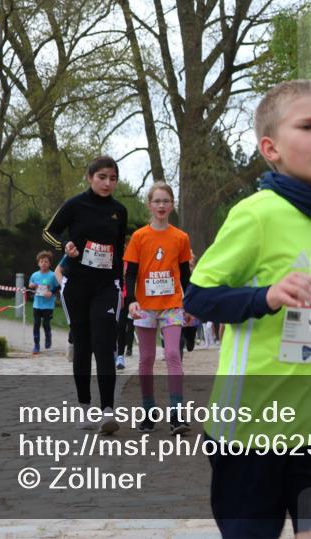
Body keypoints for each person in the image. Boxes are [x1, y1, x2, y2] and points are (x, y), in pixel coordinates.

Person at [183, 79, 311, 539]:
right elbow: (196, 297)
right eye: (309, 125)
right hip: (252, 429)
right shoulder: (256, 214)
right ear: (271, 148)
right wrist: (266, 296)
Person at [43, 156, 127, 435]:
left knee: (104, 343)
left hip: (106, 286)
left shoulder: (119, 210)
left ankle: (107, 411)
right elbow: (49, 232)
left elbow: (118, 250)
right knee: (83, 344)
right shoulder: (75, 204)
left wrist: (120, 281)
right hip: (76, 283)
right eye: (102, 177)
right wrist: (65, 245)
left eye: (112, 178)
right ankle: (85, 407)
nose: (107, 183)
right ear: (90, 177)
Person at [124, 180, 193, 436]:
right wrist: (131, 300)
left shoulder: (180, 237)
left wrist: (190, 303)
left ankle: (176, 413)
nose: (161, 205)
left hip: (173, 304)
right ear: (149, 205)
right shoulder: (140, 237)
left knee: (173, 355)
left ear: (172, 204)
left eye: (166, 201)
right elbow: (130, 273)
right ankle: (149, 411)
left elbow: (185, 275)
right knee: (147, 358)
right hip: (145, 306)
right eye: (157, 201)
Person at [28, 251, 60, 355]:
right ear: (38, 263)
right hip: (37, 304)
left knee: (46, 324)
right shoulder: (34, 275)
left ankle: (48, 337)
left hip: (48, 305)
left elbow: (58, 286)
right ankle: (36, 345)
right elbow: (30, 284)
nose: (43, 263)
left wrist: (51, 292)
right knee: (36, 324)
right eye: (41, 261)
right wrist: (32, 285)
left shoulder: (52, 275)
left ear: (50, 263)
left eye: (46, 261)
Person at [115, 238, 135, 370]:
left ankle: (128, 349)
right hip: (119, 295)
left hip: (131, 296)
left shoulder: (132, 261)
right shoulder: (115, 260)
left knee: (132, 324)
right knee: (120, 325)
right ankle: (120, 355)